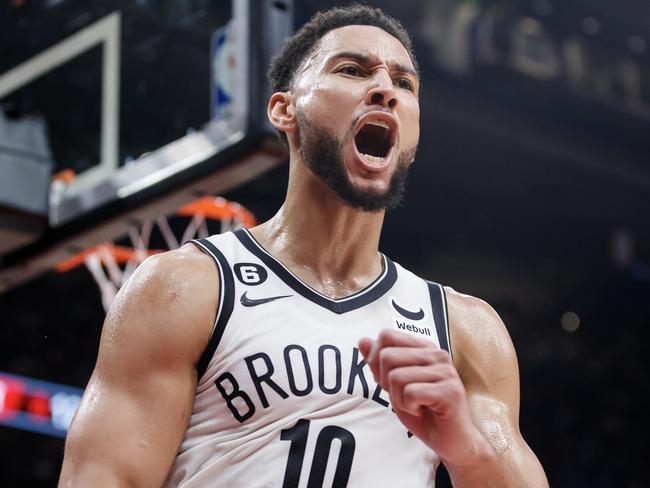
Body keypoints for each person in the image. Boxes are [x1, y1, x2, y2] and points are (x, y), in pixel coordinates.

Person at [59, 5, 549, 487]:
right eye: (353, 70)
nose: (384, 89)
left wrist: (466, 450)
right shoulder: (185, 286)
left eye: (405, 83)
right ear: (284, 109)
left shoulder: (465, 329)